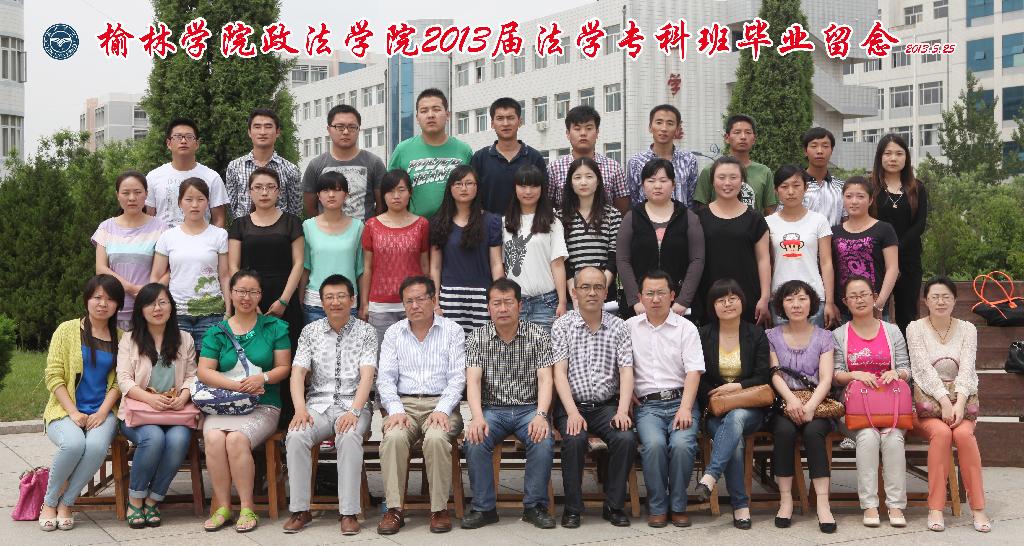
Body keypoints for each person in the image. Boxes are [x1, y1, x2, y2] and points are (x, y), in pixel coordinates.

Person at [197, 270, 291, 533]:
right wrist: (237, 386)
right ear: (231, 293)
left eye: (252, 292)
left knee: (236, 439)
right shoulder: (217, 332)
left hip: (263, 404)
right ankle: (223, 507)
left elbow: (284, 367)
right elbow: (204, 371)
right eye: (240, 291)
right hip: (224, 404)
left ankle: (247, 507)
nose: (246, 297)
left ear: (260, 295)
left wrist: (263, 378)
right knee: (214, 439)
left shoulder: (274, 327)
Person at [283, 274, 377, 536]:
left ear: (352, 300)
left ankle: (348, 513)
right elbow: (297, 373)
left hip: (353, 403)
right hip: (318, 405)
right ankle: (300, 510)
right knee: (296, 435)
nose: (335, 302)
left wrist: (354, 411)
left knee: (348, 436)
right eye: (329, 297)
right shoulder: (310, 331)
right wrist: (299, 409)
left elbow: (367, 375)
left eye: (341, 296)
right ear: (322, 302)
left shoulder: (366, 332)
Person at [461, 278, 557, 530]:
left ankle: (534, 507)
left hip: (529, 409)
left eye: (508, 302)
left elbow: (546, 379)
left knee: (542, 439)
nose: (503, 309)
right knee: (475, 439)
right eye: (497, 303)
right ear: (488, 307)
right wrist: (477, 417)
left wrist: (541, 414)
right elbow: (473, 381)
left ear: (519, 305)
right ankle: (484, 508)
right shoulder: (477, 338)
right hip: (493, 410)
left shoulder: (538, 335)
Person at [375, 276, 466, 535]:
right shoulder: (394, 333)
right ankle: (394, 509)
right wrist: (395, 410)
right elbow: (385, 379)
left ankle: (439, 509)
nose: (414, 305)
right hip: (404, 404)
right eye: (409, 301)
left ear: (433, 300)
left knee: (436, 438)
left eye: (420, 299)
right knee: (393, 438)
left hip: (441, 403)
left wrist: (443, 409)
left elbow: (457, 378)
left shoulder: (452, 330)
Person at [551, 267, 636, 528]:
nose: (592, 292)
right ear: (574, 292)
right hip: (572, 405)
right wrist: (572, 413)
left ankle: (614, 505)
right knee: (574, 439)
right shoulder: (562, 325)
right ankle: (573, 508)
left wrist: (622, 411)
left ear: (606, 292)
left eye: (598, 287)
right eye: (585, 287)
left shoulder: (619, 326)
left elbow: (626, 371)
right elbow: (559, 373)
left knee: (625, 438)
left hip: (606, 406)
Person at [39, 275, 124, 532]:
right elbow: (53, 376)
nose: (103, 304)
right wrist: (73, 412)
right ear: (87, 299)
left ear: (118, 305)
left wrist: (103, 412)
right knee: (73, 444)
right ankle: (49, 502)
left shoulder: (121, 337)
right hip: (65, 410)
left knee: (96, 447)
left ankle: (66, 503)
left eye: (110, 299)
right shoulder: (67, 330)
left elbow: (119, 382)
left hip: (103, 411)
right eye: (97, 297)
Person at [907, 277, 989, 533]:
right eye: (935, 297)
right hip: (927, 405)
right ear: (925, 301)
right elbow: (921, 369)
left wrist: (960, 403)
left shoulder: (968, 329)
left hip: (961, 402)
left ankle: (978, 508)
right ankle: (935, 507)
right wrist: (944, 401)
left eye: (946, 297)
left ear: (955, 300)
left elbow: (967, 369)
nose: (940, 302)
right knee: (941, 433)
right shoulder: (915, 328)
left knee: (964, 435)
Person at [115, 283, 197, 529]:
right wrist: (149, 399)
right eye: (151, 303)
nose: (157, 308)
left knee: (179, 439)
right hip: (139, 413)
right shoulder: (130, 339)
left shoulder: (184, 339)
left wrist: (184, 395)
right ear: (141, 309)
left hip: (175, 412)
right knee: (154, 438)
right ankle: (135, 499)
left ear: (171, 307)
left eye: (163, 302)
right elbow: (124, 379)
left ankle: (153, 499)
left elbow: (192, 376)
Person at [627, 271, 703, 528]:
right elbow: (620, 366)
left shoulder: (686, 328)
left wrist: (686, 408)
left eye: (661, 293)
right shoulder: (629, 327)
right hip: (648, 405)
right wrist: (626, 392)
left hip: (682, 401)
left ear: (672, 296)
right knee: (654, 445)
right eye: (649, 293)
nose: (655, 298)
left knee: (682, 445)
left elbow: (694, 371)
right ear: (640, 297)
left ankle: (678, 506)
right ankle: (658, 506)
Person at [833, 276, 911, 528]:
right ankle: (869, 505)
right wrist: (854, 374)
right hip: (855, 413)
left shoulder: (892, 331)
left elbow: (906, 368)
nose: (859, 300)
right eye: (853, 296)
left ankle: (896, 506)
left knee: (893, 438)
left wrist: (896, 373)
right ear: (845, 302)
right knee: (867, 437)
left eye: (864, 294)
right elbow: (835, 375)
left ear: (874, 297)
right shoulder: (839, 335)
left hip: (890, 410)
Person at [695, 279, 770, 530]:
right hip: (716, 408)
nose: (727, 304)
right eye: (721, 300)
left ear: (742, 301)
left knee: (737, 417)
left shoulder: (756, 334)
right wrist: (716, 395)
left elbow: (763, 375)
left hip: (750, 407)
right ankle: (740, 506)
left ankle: (711, 475)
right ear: (712, 305)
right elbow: (697, 376)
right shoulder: (703, 335)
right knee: (734, 440)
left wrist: (736, 387)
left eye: (732, 298)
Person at [766, 280, 837, 534]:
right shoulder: (771, 336)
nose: (796, 305)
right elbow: (774, 374)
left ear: (811, 303)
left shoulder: (825, 337)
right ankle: (785, 500)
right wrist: (792, 401)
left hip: (817, 402)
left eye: (802, 299)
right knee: (783, 432)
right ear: (781, 305)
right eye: (790, 299)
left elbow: (826, 378)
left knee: (814, 433)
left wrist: (810, 406)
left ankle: (823, 504)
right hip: (783, 402)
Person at [617, 158, 705, 319]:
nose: (657, 186)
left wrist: (683, 301)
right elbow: (622, 260)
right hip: (640, 306)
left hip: (679, 305)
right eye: (651, 181)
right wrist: (635, 300)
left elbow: (697, 260)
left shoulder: (689, 217)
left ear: (673, 184)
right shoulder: (631, 217)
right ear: (643, 185)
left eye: (663, 180)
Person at [228, 167, 304, 351]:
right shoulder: (239, 224)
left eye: (270, 187)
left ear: (279, 191)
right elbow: (233, 265)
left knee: (287, 351)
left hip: (285, 296)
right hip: (248, 297)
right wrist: (248, 300)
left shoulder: (292, 222)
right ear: (250, 191)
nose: (264, 192)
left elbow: (299, 263)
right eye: (258, 187)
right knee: (252, 352)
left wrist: (283, 301)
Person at [150, 178, 230, 344]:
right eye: (189, 199)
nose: (195, 205)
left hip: (212, 313)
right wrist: (155, 307)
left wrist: (229, 310)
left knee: (208, 358)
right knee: (177, 358)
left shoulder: (219, 235)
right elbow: (156, 276)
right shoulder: (167, 236)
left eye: (200, 199)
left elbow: (224, 275)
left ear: (207, 202)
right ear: (180, 203)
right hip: (176, 312)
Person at [694, 156, 771, 326]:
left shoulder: (755, 219)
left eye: (733, 177)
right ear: (712, 181)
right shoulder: (699, 218)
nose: (727, 183)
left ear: (742, 181)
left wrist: (765, 297)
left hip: (747, 295)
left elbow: (763, 259)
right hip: (708, 295)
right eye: (721, 177)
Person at [429, 165, 504, 334]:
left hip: (482, 297)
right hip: (450, 298)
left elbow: (496, 264)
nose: (464, 188)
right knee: (450, 345)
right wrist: (435, 302)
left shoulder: (491, 221)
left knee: (482, 345)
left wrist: (499, 299)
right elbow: (435, 267)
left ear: (477, 187)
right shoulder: (438, 222)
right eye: (458, 183)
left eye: (469, 183)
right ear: (450, 188)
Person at [360, 169, 430, 343]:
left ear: (410, 192)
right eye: (390, 191)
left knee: (415, 355)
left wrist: (429, 300)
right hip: (380, 306)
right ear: (383, 195)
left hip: (415, 304)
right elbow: (367, 268)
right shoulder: (371, 225)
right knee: (382, 356)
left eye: (401, 190)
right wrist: (364, 303)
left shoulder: (421, 224)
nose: (396, 196)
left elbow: (425, 266)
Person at [93, 170, 167, 331]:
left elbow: (170, 269)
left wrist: (149, 292)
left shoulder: (161, 228)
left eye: (138, 192)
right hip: (112, 308)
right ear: (117, 195)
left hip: (150, 309)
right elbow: (101, 268)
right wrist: (132, 289)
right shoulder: (106, 227)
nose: (132, 198)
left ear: (146, 194)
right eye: (126, 193)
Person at [766, 164, 838, 328]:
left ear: (805, 188)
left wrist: (829, 301)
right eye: (784, 186)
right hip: (780, 298)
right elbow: (766, 263)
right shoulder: (767, 223)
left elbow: (826, 263)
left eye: (796, 185)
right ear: (776, 190)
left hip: (814, 297)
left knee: (814, 343)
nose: (791, 191)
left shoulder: (818, 220)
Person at [871, 134, 928, 334]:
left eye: (899, 153)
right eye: (888, 153)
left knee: (907, 314)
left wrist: (894, 249)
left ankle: (909, 353)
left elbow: (919, 225)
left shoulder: (917, 188)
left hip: (908, 260)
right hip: (876, 260)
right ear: (880, 157)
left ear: (906, 158)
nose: (893, 158)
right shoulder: (871, 187)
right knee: (876, 311)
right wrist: (884, 252)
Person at [388, 88, 473, 218]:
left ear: (447, 115)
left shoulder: (463, 150)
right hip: (414, 224)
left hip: (454, 224)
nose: (430, 115)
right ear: (417, 117)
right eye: (424, 111)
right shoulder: (402, 150)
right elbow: (390, 189)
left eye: (436, 109)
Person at [502, 165, 568, 331]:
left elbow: (557, 264)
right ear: (515, 188)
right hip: (514, 304)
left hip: (546, 303)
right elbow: (500, 264)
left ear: (542, 188)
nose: (528, 191)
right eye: (523, 186)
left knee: (545, 347)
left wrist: (562, 301)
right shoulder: (504, 223)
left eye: (533, 186)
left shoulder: (552, 222)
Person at [831, 177, 899, 322]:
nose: (854, 201)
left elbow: (893, 268)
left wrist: (879, 303)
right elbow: (829, 268)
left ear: (870, 200)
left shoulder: (884, 229)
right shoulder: (834, 232)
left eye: (860, 196)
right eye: (849, 196)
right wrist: (831, 303)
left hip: (875, 308)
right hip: (843, 308)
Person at [300, 171, 365, 324]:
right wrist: (300, 299)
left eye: (337, 190)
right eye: (325, 190)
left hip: (348, 302)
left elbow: (361, 270)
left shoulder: (358, 227)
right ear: (318, 195)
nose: (331, 195)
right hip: (315, 302)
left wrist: (363, 304)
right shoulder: (308, 226)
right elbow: (305, 267)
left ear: (346, 195)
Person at [302, 104, 386, 220]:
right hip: (327, 230)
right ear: (329, 129)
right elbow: (310, 208)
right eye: (339, 127)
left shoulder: (374, 163)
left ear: (358, 129)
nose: (346, 132)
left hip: (364, 230)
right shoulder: (315, 165)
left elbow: (382, 206)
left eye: (352, 127)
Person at [558, 156, 622, 303]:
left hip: (605, 294)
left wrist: (600, 288)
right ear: (570, 183)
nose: (583, 182)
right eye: (577, 177)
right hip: (573, 295)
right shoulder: (560, 217)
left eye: (589, 176)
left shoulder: (612, 215)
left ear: (598, 181)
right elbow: (562, 260)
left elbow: (614, 256)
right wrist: (575, 293)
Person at [145, 118, 228, 228]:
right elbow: (148, 217)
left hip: (201, 238)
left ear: (197, 144)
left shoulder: (212, 177)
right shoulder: (153, 177)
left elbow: (219, 219)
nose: (183, 141)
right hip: (163, 238)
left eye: (189, 137)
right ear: (169, 143)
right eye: (178, 137)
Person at [546, 105, 630, 213]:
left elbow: (622, 208)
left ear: (597, 132)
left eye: (589, 128)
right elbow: (547, 205)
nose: (583, 133)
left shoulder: (613, 167)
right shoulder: (554, 169)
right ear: (568, 134)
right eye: (577, 129)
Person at [471, 97, 547, 214]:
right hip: (489, 223)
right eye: (500, 118)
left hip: (526, 223)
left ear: (520, 122)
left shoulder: (534, 158)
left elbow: (544, 195)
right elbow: (473, 196)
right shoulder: (480, 158)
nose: (505, 123)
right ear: (492, 123)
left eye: (511, 118)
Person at [225, 108, 302, 220]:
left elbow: (295, 210)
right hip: (244, 229)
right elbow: (231, 208)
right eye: (257, 127)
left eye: (268, 126)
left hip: (280, 229)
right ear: (249, 132)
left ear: (277, 132)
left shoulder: (290, 169)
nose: (262, 132)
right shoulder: (234, 167)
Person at [694, 115, 777, 216]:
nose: (743, 137)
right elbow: (701, 207)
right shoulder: (711, 170)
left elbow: (769, 210)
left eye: (748, 132)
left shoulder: (764, 172)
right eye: (737, 132)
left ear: (754, 139)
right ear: (727, 138)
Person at [626, 104, 699, 208]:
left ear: (677, 129)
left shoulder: (689, 160)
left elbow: (691, 198)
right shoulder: (636, 162)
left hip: (681, 217)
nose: (664, 128)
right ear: (650, 127)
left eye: (670, 123)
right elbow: (633, 199)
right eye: (659, 122)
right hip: (646, 217)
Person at [800, 127, 846, 226]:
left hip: (834, 236)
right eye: (814, 146)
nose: (820, 151)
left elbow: (847, 220)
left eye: (825, 146)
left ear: (831, 150)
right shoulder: (794, 185)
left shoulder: (842, 187)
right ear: (805, 151)